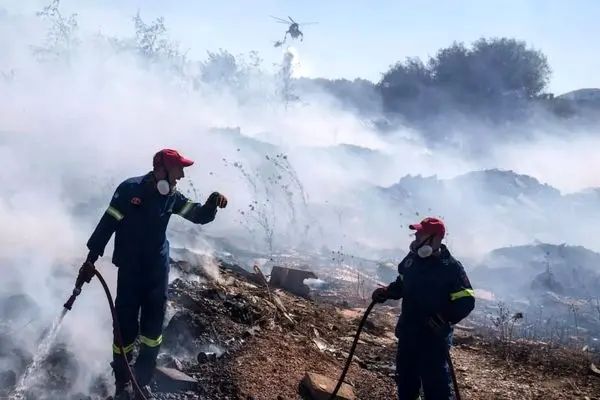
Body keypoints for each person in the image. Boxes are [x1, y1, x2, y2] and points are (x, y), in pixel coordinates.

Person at [79, 149, 228, 399]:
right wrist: (91, 259)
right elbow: (107, 224)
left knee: (152, 330)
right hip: (130, 270)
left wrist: (212, 204)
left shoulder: (171, 196)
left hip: (157, 271)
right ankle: (122, 381)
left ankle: (142, 379)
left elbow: (198, 215)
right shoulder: (128, 190)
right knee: (125, 328)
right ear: (162, 170)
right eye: (177, 169)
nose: (180, 175)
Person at [371, 217, 475, 400]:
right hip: (408, 332)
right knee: (406, 384)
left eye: (421, 234)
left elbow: (466, 300)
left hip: (433, 338)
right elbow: (403, 283)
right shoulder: (412, 260)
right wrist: (387, 292)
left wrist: (443, 317)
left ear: (435, 239)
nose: (416, 237)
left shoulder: (451, 268)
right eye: (416, 233)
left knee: (436, 388)